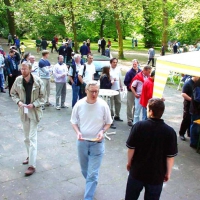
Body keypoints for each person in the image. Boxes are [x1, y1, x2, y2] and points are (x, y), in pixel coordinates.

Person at [125, 98, 178, 200]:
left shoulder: (139, 126)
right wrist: (168, 173)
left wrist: (129, 163)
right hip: (156, 176)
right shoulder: (170, 132)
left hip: (137, 172)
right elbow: (170, 157)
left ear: (151, 111)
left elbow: (131, 148)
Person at [70, 80, 112, 200]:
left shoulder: (103, 105)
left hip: (97, 143)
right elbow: (73, 121)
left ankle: (88, 196)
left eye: (97, 91)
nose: (94, 94)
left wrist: (102, 131)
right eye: (92, 91)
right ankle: (91, 183)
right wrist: (78, 133)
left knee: (92, 173)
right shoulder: (79, 104)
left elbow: (108, 122)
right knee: (85, 170)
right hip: (82, 142)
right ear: (86, 91)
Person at [10, 61, 44, 176]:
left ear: (30, 69)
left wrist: (34, 104)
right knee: (26, 137)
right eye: (21, 69)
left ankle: (32, 165)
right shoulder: (18, 80)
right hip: (23, 111)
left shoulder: (38, 81)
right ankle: (30, 155)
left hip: (34, 112)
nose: (22, 71)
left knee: (32, 138)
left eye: (25, 69)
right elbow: (13, 93)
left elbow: (43, 97)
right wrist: (19, 102)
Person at [124, 59, 141, 126]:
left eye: (135, 64)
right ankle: (129, 119)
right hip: (131, 91)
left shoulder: (140, 71)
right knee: (129, 105)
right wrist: (131, 87)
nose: (134, 65)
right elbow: (126, 82)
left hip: (138, 91)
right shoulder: (129, 72)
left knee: (136, 106)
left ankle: (134, 118)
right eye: (133, 64)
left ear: (138, 64)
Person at [189, 77, 200, 148]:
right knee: (195, 126)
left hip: (196, 109)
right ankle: (193, 143)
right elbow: (198, 99)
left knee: (194, 125)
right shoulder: (198, 86)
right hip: (196, 110)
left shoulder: (197, 85)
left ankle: (194, 141)